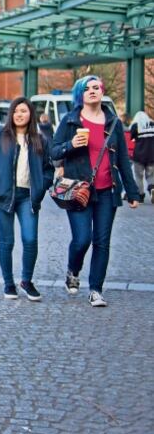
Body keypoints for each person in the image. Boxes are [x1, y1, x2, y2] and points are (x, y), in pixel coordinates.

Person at [50, 75, 140, 307]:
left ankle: (96, 290)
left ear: (102, 92)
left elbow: (122, 158)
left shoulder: (113, 123)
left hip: (107, 191)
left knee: (102, 241)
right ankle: (73, 270)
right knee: (82, 239)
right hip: (78, 190)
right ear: (80, 94)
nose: (92, 91)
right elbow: (54, 152)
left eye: (96, 87)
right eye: (87, 88)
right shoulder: (70, 121)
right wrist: (72, 145)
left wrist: (132, 192)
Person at [0, 97, 54, 301]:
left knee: (30, 240)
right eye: (16, 111)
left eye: (24, 111)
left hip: (28, 197)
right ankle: (8, 283)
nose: (19, 114)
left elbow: (48, 169)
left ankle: (26, 281)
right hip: (2, 197)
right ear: (11, 114)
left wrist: (41, 187)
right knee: (7, 241)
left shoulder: (40, 140)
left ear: (31, 114)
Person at [130, 109, 154, 202]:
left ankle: (140, 195)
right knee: (151, 175)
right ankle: (152, 188)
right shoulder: (152, 124)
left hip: (139, 155)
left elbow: (132, 137)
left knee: (138, 176)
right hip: (152, 155)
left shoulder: (136, 126)